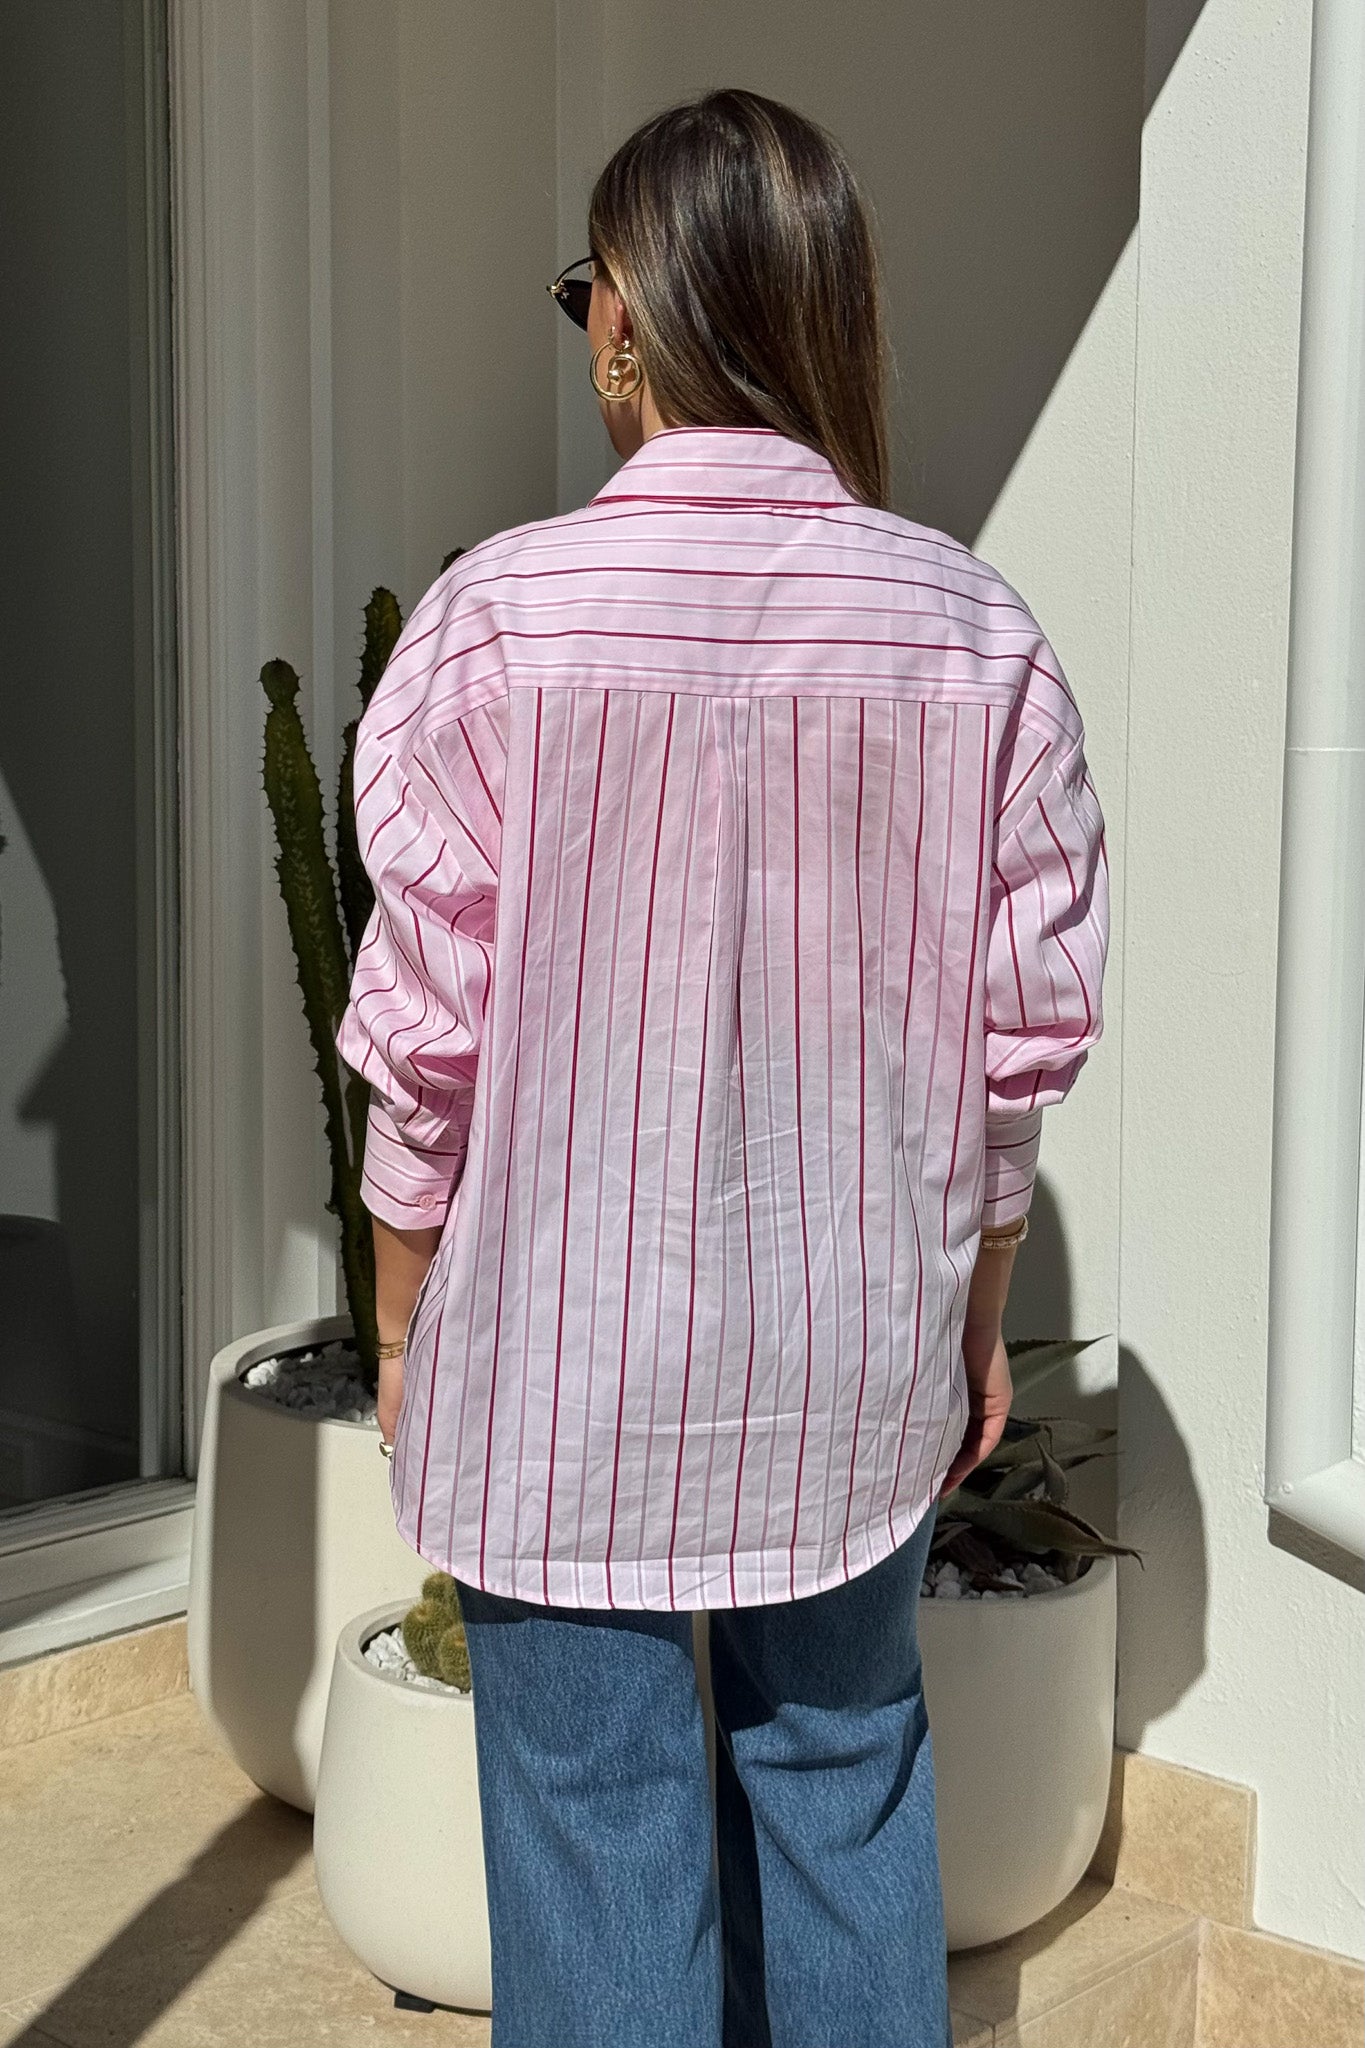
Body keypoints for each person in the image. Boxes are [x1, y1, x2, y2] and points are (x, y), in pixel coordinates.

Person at [336, 86, 1108, 2048]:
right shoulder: (975, 641)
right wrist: (976, 1319)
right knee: (840, 1794)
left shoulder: (492, 630)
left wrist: (407, 1330)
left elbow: (422, 1054)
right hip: (844, 1364)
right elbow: (1015, 1054)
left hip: (557, 1363)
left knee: (594, 1830)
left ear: (621, 324)